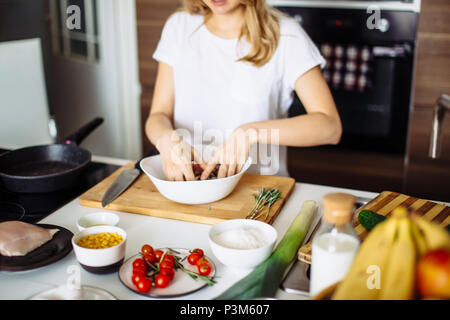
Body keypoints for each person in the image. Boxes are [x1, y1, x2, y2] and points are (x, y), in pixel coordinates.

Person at [145, 0, 342, 181]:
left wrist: (251, 132)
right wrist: (164, 139)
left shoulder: (286, 34)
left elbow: (330, 127)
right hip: (186, 187)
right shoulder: (179, 26)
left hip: (258, 192)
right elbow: (159, 114)